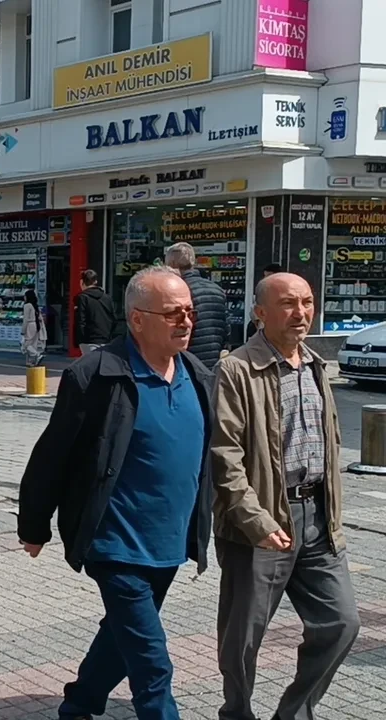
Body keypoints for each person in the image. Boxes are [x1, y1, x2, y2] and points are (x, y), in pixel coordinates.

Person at [19, 266, 214, 720]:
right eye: (172, 313)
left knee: (121, 636)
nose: (185, 321)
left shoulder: (200, 376)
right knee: (152, 660)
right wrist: (34, 526)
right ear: (137, 319)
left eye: (189, 311)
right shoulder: (96, 375)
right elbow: (53, 456)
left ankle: (81, 702)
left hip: (170, 542)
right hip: (115, 543)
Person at [212, 272, 359, 720]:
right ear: (260, 313)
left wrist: (332, 512)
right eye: (288, 304)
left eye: (308, 302)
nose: (301, 313)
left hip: (318, 517)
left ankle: (294, 712)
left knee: (342, 623)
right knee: (243, 638)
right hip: (261, 523)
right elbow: (224, 455)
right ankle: (236, 713)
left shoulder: (316, 365)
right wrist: (256, 521)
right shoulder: (237, 368)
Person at [164, 242, 228, 368]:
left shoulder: (179, 291)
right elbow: (226, 328)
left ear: (172, 264)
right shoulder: (217, 290)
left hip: (186, 361)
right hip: (213, 361)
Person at [75, 269, 116, 352]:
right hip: (106, 339)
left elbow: (81, 321)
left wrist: (80, 339)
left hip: (89, 340)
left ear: (81, 282)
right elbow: (114, 319)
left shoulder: (82, 298)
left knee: (90, 363)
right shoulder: (107, 298)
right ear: (95, 281)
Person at [244, 262, 285, 339]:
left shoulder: (284, 292)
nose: (265, 279)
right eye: (265, 276)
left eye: (268, 276)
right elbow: (254, 312)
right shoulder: (262, 291)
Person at [21, 288, 47, 367]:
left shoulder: (27, 305)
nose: (24, 298)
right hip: (36, 325)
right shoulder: (35, 305)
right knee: (33, 344)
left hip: (29, 324)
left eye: (25, 296)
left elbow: (25, 319)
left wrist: (23, 330)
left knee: (26, 344)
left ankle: (37, 355)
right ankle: (31, 362)